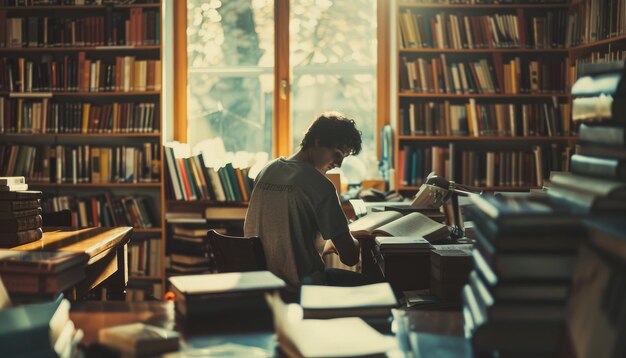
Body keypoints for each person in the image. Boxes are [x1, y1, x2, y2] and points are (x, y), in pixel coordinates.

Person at [244, 112, 375, 288]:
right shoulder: (321, 186)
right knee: (385, 288)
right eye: (337, 154)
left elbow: (286, 237)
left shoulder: (267, 171)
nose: (339, 164)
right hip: (304, 289)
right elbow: (350, 257)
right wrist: (355, 238)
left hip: (263, 286)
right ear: (319, 141)